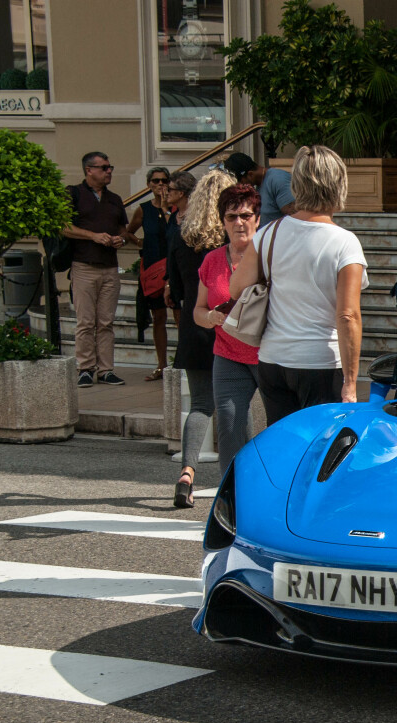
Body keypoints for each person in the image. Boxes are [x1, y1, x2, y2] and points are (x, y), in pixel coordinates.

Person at [229, 145, 368, 424]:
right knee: (320, 452)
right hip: (320, 362)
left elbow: (235, 289)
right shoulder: (344, 242)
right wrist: (351, 382)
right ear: (338, 184)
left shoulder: (268, 233)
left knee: (284, 447)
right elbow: (348, 315)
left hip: (273, 360)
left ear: (297, 184)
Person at [167, 167, 235, 508]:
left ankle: (187, 473)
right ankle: (236, 484)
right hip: (230, 327)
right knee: (233, 407)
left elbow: (176, 290)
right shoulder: (234, 239)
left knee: (200, 405)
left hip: (194, 327)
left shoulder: (181, 235)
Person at [192, 183, 263, 483]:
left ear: (257, 219)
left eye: (246, 215)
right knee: (230, 429)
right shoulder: (211, 261)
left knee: (281, 426)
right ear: (222, 221)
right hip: (228, 354)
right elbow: (196, 310)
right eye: (231, 216)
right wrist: (208, 317)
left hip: (267, 354)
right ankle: (232, 498)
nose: (239, 222)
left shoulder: (269, 257)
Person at [60, 151, 128, 387]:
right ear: (89, 170)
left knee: (106, 322)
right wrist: (93, 236)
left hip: (110, 267)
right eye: (104, 167)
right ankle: (85, 368)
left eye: (110, 167)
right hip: (84, 266)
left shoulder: (115, 199)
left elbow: (123, 230)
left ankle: (106, 369)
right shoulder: (73, 194)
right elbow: (64, 227)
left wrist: (121, 239)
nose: (109, 171)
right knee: (86, 321)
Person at [122, 167, 175, 381]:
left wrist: (165, 207)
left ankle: (180, 365)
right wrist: (138, 242)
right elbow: (127, 231)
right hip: (154, 266)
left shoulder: (176, 208)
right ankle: (162, 364)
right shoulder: (143, 209)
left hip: (173, 265)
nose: (160, 185)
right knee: (158, 316)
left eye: (164, 181)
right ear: (149, 185)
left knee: (180, 315)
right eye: (156, 181)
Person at [224, 151, 297, 226]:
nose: (239, 186)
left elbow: (296, 217)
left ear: (250, 174)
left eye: (240, 182)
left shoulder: (278, 180)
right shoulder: (258, 186)